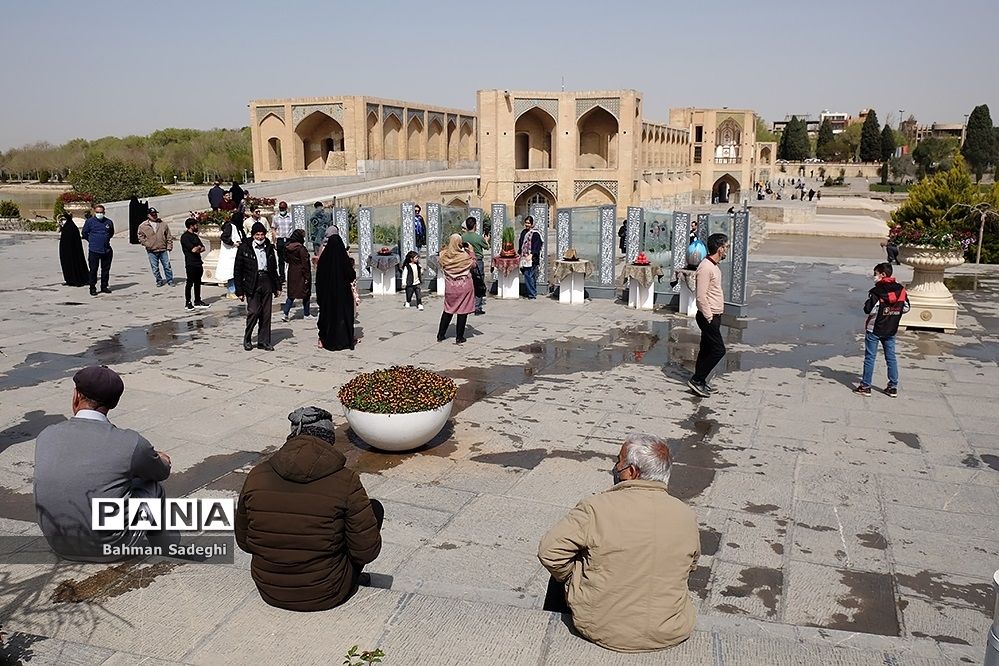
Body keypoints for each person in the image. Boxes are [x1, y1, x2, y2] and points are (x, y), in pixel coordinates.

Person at [538, 434, 699, 653]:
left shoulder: (595, 508)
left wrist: (572, 578)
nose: (615, 467)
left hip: (600, 628)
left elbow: (549, 552)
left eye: (618, 461)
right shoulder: (686, 515)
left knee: (562, 572)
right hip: (670, 631)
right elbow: (690, 566)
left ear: (632, 472)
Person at [235, 407, 382, 611]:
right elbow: (366, 552)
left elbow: (244, 542)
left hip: (269, 590)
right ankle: (347, 576)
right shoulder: (346, 481)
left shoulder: (257, 475)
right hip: (326, 593)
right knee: (374, 509)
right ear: (329, 439)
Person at [34, 365, 175, 562]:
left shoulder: (47, 434)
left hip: (58, 543)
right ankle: (166, 549)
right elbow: (160, 472)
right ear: (114, 403)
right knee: (152, 487)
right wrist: (161, 458)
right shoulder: (130, 442)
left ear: (76, 396)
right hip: (110, 548)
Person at [855, 262, 910, 397]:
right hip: (891, 328)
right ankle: (892, 386)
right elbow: (906, 308)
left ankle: (865, 386)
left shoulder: (876, 292)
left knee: (870, 357)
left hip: (875, 328)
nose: (874, 277)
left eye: (876, 274)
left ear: (883, 274)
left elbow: (869, 310)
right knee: (891, 358)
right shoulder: (901, 290)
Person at [688, 233, 729, 397]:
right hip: (708, 316)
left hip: (714, 314)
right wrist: (709, 316)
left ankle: (701, 381)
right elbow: (700, 297)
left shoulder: (714, 266)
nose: (727, 250)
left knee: (706, 349)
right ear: (720, 249)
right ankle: (697, 379)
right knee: (718, 350)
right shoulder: (705, 267)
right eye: (726, 247)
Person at [234, 221, 281, 351]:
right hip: (252, 282)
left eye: (262, 234)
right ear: (253, 235)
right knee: (254, 311)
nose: (260, 237)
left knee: (266, 313)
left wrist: (277, 286)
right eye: (257, 235)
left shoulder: (268, 247)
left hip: (266, 280)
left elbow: (273, 268)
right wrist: (239, 291)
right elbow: (237, 270)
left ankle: (264, 341)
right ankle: (248, 338)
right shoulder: (245, 247)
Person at [315, 233, 356, 350]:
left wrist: (320, 296)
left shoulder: (323, 260)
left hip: (327, 296)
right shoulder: (344, 259)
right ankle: (345, 340)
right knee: (343, 316)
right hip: (343, 294)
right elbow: (351, 275)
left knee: (327, 316)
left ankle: (324, 339)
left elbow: (319, 279)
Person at [437, 234, 475, 344]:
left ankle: (441, 334)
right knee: (462, 311)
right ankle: (459, 337)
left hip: (450, 287)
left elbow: (439, 261)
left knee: (448, 310)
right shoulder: (464, 256)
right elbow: (473, 265)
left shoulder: (444, 255)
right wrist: (471, 251)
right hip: (464, 286)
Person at [136, 208, 174, 287]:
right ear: (148, 215)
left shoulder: (163, 224)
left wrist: (169, 246)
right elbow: (141, 237)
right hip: (152, 250)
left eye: (155, 214)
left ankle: (170, 280)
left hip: (163, 249)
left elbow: (168, 236)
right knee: (155, 268)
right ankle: (159, 280)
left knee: (167, 266)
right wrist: (147, 244)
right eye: (152, 214)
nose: (154, 216)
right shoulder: (143, 226)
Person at [81, 204, 114, 296]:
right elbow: (84, 233)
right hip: (94, 250)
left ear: (104, 212)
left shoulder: (108, 222)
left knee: (105, 270)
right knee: (93, 270)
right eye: (98, 212)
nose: (100, 214)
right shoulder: (90, 222)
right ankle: (92, 287)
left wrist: (105, 239)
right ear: (94, 212)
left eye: (101, 212)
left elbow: (111, 233)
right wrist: (92, 240)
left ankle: (104, 286)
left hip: (106, 250)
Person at [281, 229, 314, 321]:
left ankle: (285, 313)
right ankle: (306, 313)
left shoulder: (287, 247)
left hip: (292, 271)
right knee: (306, 293)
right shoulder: (301, 249)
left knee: (291, 294)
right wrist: (307, 276)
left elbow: (286, 259)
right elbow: (305, 263)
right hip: (301, 273)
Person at [460, 216, 489, 315]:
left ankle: (468, 305)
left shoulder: (463, 237)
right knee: (479, 283)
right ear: (475, 226)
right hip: (477, 261)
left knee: (467, 282)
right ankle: (477, 307)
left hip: (465, 261)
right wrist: (486, 240)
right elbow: (486, 247)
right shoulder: (478, 237)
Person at [180, 216, 209, 311]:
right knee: (190, 283)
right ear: (191, 226)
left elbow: (203, 248)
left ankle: (197, 300)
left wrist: (198, 248)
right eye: (196, 225)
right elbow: (193, 250)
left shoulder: (195, 236)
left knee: (198, 282)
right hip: (190, 263)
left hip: (198, 262)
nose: (197, 227)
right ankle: (188, 302)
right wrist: (198, 248)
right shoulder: (185, 237)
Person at [217, 211, 245, 299]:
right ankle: (231, 291)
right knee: (231, 273)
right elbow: (224, 237)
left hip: (237, 253)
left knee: (237, 272)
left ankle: (237, 290)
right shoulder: (230, 226)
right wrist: (233, 243)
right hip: (231, 254)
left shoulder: (237, 227)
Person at [271, 201, 299, 284]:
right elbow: (273, 229)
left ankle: (290, 275)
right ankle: (282, 276)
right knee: (281, 259)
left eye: (283, 208)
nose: (282, 210)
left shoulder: (291, 217)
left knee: (290, 258)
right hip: (280, 239)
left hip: (289, 239)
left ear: (286, 208)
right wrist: (274, 240)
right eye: (280, 208)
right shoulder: (276, 217)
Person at [58, 212, 89, 287]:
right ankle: (69, 279)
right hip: (66, 251)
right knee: (67, 265)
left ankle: (76, 279)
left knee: (74, 264)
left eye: (64, 219)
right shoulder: (67, 227)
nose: (63, 221)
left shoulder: (71, 227)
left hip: (73, 251)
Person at [518, 216, 543, 299]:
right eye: (526, 222)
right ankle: (531, 292)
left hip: (532, 258)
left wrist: (532, 254)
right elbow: (521, 243)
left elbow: (537, 246)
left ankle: (531, 294)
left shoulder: (536, 234)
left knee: (528, 275)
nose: (527, 224)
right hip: (524, 257)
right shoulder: (523, 232)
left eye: (528, 223)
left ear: (532, 224)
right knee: (528, 275)